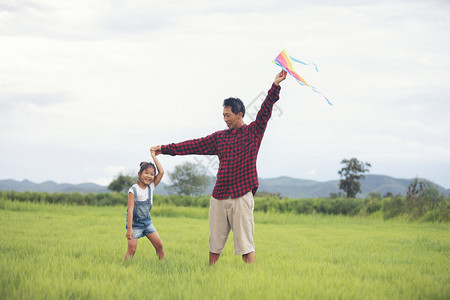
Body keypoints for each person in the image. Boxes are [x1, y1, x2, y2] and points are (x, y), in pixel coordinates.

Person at [151, 70, 287, 265]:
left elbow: (265, 112)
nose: (225, 118)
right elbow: (193, 145)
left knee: (246, 246)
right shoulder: (219, 137)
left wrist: (275, 86)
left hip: (241, 196)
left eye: (228, 115)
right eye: (223, 115)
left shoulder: (253, 132)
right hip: (219, 196)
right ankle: (210, 276)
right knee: (214, 245)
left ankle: (251, 281)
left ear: (239, 114)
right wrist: (164, 149)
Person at [124, 150, 165, 260]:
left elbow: (161, 172)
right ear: (139, 174)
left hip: (147, 222)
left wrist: (154, 157)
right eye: (146, 173)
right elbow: (131, 210)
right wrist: (129, 229)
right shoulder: (133, 189)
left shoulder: (151, 187)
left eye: (152, 174)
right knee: (131, 251)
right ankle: (124, 268)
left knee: (160, 247)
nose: (149, 176)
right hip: (135, 224)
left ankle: (164, 268)